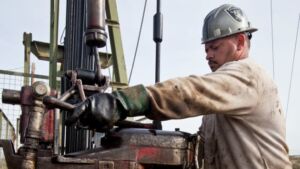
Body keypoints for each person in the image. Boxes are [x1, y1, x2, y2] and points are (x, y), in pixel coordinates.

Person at [67, 4, 292, 169]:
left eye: (214, 47)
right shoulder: (224, 97)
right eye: (206, 49)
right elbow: (202, 147)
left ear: (240, 42)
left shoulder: (248, 76)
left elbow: (191, 92)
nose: (208, 55)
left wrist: (123, 102)